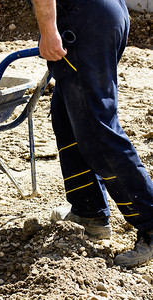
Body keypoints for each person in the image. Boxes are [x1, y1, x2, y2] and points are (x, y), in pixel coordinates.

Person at [31, 0, 153, 267]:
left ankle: (150, 222)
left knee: (96, 130)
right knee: (66, 112)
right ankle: (90, 212)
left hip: (84, 21)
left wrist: (49, 29)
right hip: (104, 13)